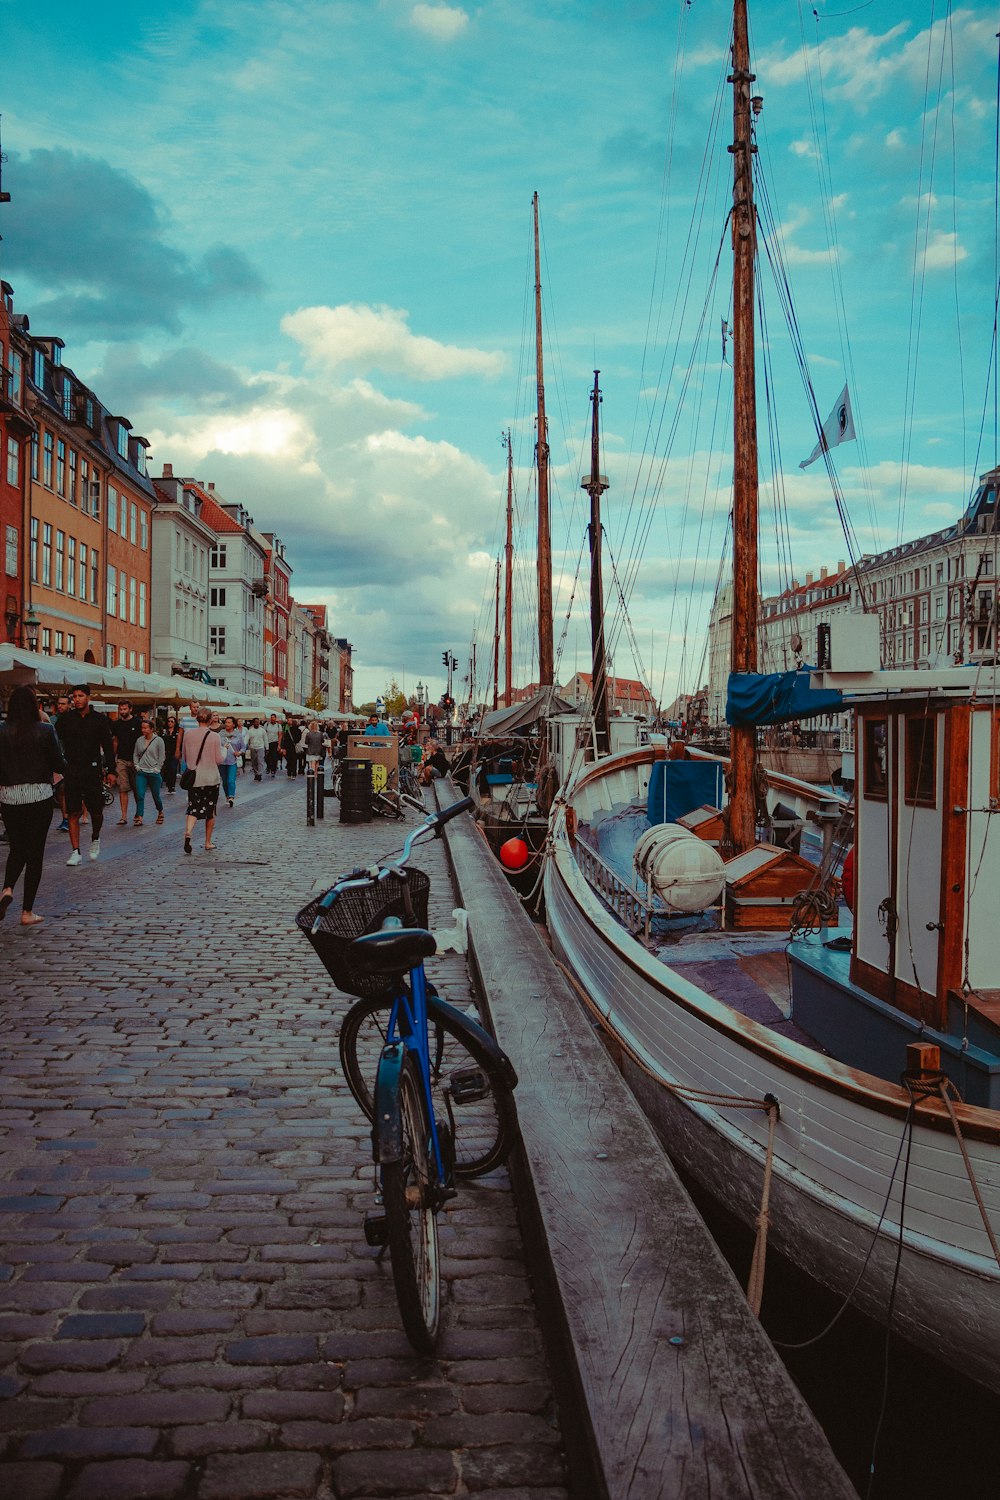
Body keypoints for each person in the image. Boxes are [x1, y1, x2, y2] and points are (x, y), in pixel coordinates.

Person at [0, 686, 66, 926]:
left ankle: (7, 888)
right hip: (38, 795)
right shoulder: (45, 730)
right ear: (34, 706)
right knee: (35, 853)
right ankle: (27, 912)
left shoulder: (1, 730)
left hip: (10, 797)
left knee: (17, 848)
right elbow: (59, 763)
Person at [55, 684, 116, 864]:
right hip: (72, 769)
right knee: (72, 812)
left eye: (81, 696)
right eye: (74, 696)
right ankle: (75, 851)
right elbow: (53, 741)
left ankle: (95, 838)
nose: (77, 699)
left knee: (96, 811)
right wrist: (56, 767)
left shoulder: (99, 720)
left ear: (88, 697)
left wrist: (111, 770)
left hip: (92, 769)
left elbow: (107, 746)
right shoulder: (66, 720)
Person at [180, 708, 226, 854]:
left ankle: (188, 832)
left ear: (197, 719)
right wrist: (224, 749)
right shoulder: (214, 737)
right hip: (211, 777)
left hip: (195, 778)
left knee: (193, 808)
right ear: (211, 720)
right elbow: (219, 760)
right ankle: (207, 842)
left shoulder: (188, 735)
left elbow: (185, 757)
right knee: (210, 811)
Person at [112, 700, 142, 826]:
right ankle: (123, 816)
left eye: (125, 709)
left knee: (137, 789)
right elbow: (115, 741)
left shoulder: (138, 722)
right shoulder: (116, 724)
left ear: (130, 709)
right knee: (123, 788)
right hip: (122, 759)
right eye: (121, 709)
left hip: (136, 760)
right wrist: (113, 758)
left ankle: (139, 815)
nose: (122, 712)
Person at [133, 718, 166, 826]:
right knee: (140, 795)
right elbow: (135, 754)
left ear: (152, 729)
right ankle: (140, 816)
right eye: (142, 728)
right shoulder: (139, 740)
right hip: (141, 772)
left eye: (146, 728)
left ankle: (160, 811)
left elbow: (162, 756)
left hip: (153, 772)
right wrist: (136, 765)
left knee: (155, 795)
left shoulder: (159, 740)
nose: (143, 730)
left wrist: (158, 768)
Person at [218, 716, 246, 807]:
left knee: (231, 780)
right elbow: (216, 746)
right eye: (226, 722)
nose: (227, 724)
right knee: (225, 781)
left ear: (234, 724)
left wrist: (239, 752)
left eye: (229, 722)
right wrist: (222, 748)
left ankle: (231, 797)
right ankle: (227, 796)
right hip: (222, 761)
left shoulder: (238, 735)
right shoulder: (220, 734)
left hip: (232, 761)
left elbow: (243, 747)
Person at [161, 715, 180, 793]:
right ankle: (169, 785)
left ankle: (172, 786)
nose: (170, 723)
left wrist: (179, 751)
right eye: (169, 721)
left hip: (174, 752)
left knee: (173, 768)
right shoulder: (164, 732)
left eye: (172, 721)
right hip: (165, 753)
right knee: (167, 769)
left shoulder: (177, 732)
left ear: (175, 723)